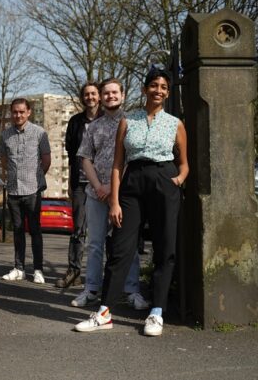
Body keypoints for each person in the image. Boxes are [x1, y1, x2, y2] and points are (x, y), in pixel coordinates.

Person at [74, 66, 188, 337]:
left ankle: (156, 313)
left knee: (164, 246)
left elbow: (184, 163)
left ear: (167, 92)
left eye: (163, 87)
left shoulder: (175, 123)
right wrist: (114, 200)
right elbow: (117, 164)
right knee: (121, 248)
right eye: (153, 86)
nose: (158, 91)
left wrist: (179, 179)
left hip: (164, 180)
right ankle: (104, 313)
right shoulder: (129, 121)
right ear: (144, 89)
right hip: (132, 183)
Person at [70, 78, 148, 311]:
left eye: (115, 92)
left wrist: (115, 188)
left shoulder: (134, 123)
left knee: (128, 244)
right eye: (106, 93)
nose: (110, 96)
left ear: (122, 95)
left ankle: (132, 290)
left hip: (125, 195)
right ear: (102, 97)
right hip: (97, 195)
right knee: (94, 244)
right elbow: (85, 158)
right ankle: (91, 289)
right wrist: (99, 186)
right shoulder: (92, 127)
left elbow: (135, 159)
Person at [0, 98, 51, 284]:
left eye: (22, 112)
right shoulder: (5, 135)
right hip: (13, 190)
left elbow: (46, 159)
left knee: (35, 231)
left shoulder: (40, 133)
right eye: (15, 112)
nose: (18, 115)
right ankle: (19, 268)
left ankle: (38, 269)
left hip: (32, 190)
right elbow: (4, 160)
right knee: (17, 230)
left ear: (28, 112)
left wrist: (36, 179)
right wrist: (13, 177)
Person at [56, 82, 101, 288]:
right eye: (86, 94)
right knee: (78, 230)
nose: (90, 97)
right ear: (83, 98)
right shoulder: (75, 122)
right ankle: (74, 272)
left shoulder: (108, 119)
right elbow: (70, 152)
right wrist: (70, 182)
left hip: (103, 183)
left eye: (93, 93)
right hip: (80, 183)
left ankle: (103, 276)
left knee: (104, 232)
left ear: (99, 96)